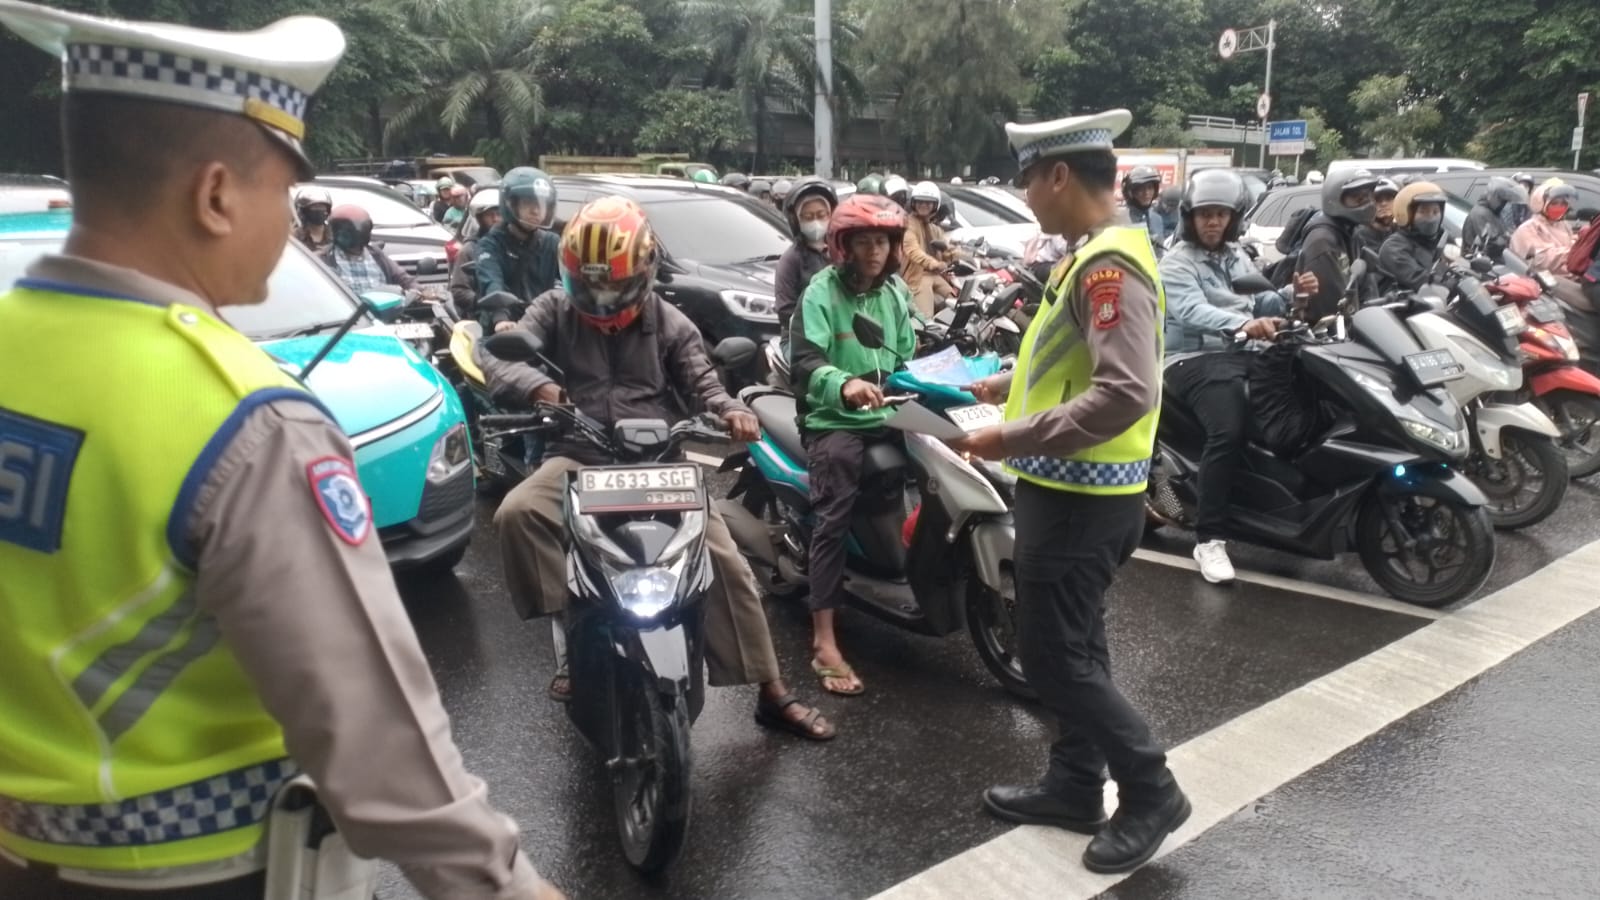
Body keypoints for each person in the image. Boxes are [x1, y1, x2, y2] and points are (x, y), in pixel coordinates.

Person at [0, 4, 563, 899]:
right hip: (202, 874)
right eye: (282, 193)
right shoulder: (246, 419)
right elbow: (381, 746)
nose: (293, 224)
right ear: (216, 196)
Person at [484, 196, 835, 739]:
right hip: (579, 457)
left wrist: (731, 411)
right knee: (518, 513)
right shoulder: (553, 309)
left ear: (643, 272)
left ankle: (772, 691)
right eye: (590, 286)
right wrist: (539, 387)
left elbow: (703, 381)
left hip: (660, 463)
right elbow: (497, 359)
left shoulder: (669, 320)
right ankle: (574, 640)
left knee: (725, 561)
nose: (602, 299)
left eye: (615, 286)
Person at [955, 109, 1188, 875]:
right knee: (1076, 645)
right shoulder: (1090, 255)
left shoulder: (1108, 267)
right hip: (1072, 493)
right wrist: (1005, 383)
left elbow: (1125, 392)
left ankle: (1151, 790)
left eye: (1026, 178)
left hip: (1082, 501)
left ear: (1058, 175)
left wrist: (1009, 437)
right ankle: (1075, 782)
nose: (1024, 195)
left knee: (1052, 657)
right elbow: (1074, 362)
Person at [787, 193, 919, 697]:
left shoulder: (894, 292)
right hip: (834, 418)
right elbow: (805, 361)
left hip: (889, 408)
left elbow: (905, 354)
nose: (874, 252)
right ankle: (824, 641)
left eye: (882, 241)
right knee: (833, 516)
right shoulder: (819, 293)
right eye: (863, 242)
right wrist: (844, 385)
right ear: (843, 246)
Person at [1158, 169, 1317, 584]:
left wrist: (1293, 296)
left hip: (1241, 352)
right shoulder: (1176, 263)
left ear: (1233, 218)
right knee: (1227, 430)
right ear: (1190, 218)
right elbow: (1190, 310)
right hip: (1192, 359)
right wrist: (1244, 325)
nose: (1213, 222)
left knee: (1307, 389)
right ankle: (1209, 538)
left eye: (1221, 214)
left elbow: (1261, 300)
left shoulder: (1236, 256)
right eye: (1205, 214)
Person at [474, 166, 561, 331]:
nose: (536, 211)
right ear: (510, 204)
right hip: (504, 328)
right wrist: (501, 318)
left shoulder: (552, 242)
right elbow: (492, 282)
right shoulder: (490, 245)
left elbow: (570, 282)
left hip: (543, 325)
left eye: (541, 204)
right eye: (528, 203)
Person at [1295, 167, 1380, 322]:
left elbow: (1365, 289)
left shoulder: (1351, 232)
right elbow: (1332, 308)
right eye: (1358, 198)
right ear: (1335, 198)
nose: (1367, 203)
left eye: (1368, 196)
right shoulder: (1323, 242)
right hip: (1330, 331)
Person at [774, 176, 839, 336]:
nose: (816, 222)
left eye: (821, 215)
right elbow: (785, 310)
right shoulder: (790, 260)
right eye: (808, 217)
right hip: (802, 336)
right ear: (796, 220)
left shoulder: (840, 253)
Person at [321, 204, 417, 296]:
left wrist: (417, 291)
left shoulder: (376, 255)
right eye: (347, 230)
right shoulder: (324, 259)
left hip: (382, 306)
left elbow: (405, 280)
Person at [1379, 181, 1450, 292]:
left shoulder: (1443, 239)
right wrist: (1449, 283)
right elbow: (1419, 279)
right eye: (1423, 212)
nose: (1431, 218)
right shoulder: (1393, 248)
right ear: (1407, 214)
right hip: (1408, 302)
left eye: (1435, 212)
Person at [902, 179, 958, 316]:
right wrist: (934, 264)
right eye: (920, 202)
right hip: (917, 278)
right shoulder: (908, 225)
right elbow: (913, 251)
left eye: (928, 203)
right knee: (926, 318)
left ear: (935, 205)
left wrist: (963, 257)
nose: (924, 205)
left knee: (958, 304)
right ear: (914, 203)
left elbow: (947, 250)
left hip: (936, 275)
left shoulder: (935, 229)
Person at [449, 188, 502, 315]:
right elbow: (459, 290)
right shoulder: (470, 249)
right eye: (490, 215)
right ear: (479, 218)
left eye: (499, 214)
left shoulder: (513, 246)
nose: (495, 219)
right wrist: (483, 301)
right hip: (482, 316)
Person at [1512, 180, 1579, 275]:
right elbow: (1542, 259)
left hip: (1567, 275)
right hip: (1542, 279)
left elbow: (1568, 242)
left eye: (1563, 204)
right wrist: (1574, 253)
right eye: (1554, 203)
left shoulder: (1563, 224)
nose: (1559, 207)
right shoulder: (1529, 229)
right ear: (1540, 204)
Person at [1461, 176, 1527, 258]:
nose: (1504, 205)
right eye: (1503, 201)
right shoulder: (1480, 214)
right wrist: (1508, 241)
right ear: (1495, 198)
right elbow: (1492, 243)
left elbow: (1501, 232)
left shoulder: (1492, 214)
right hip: (1478, 261)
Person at [1354, 177, 1400, 262]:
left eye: (1389, 198)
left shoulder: (1400, 231)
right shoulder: (1360, 235)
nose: (1384, 204)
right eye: (1377, 199)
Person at [1120, 166, 1165, 248]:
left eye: (1150, 188)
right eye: (1141, 189)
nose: (1146, 193)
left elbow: (1160, 251)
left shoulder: (1157, 219)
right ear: (1130, 192)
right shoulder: (1121, 219)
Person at [292, 185, 334, 252]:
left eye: (322, 207)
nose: (319, 210)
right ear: (304, 211)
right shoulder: (294, 238)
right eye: (314, 207)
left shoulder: (336, 235)